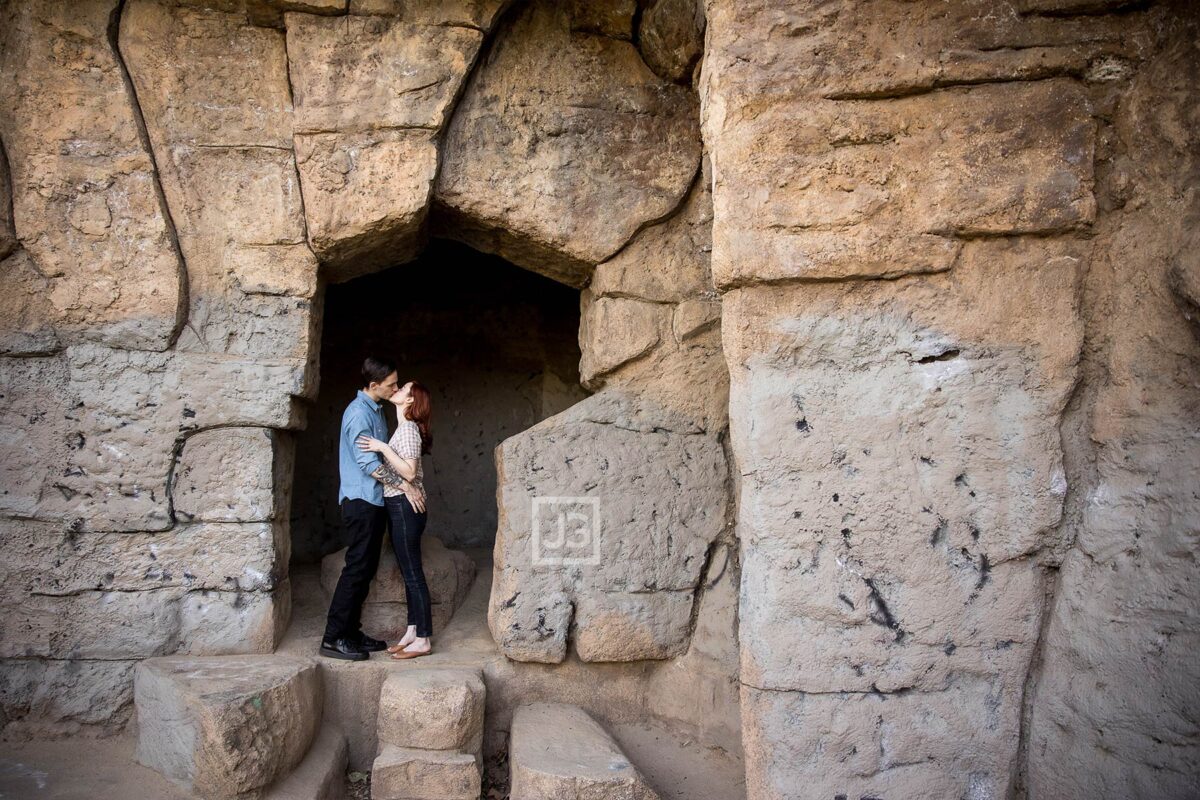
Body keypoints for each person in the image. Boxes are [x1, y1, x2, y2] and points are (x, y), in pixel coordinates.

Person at [320, 357, 424, 660]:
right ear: (373, 385)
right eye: (391, 384)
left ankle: (351, 632)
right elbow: (368, 465)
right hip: (361, 502)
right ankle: (333, 637)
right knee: (356, 570)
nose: (395, 388)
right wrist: (405, 485)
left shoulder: (376, 410)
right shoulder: (358, 414)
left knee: (364, 570)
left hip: (373, 501)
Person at [357, 380, 435, 660]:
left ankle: (424, 639)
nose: (398, 389)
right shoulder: (404, 430)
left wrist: (381, 447)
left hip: (405, 506)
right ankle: (413, 631)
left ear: (410, 401)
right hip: (398, 505)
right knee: (408, 572)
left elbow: (410, 473)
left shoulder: (409, 430)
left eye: (404, 389)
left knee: (413, 574)